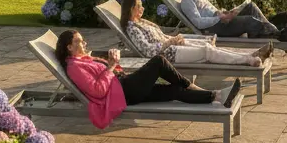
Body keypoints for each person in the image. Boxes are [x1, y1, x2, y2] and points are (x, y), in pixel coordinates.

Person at [54, 28, 241, 130]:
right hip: (123, 91)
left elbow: (105, 75)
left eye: (83, 40)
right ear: (69, 48)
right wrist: (111, 65)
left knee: (172, 91)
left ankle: (216, 97)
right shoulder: (74, 68)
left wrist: (111, 64)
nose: (84, 43)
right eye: (79, 41)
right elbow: (98, 90)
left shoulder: (82, 59)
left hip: (124, 87)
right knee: (158, 61)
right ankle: (192, 86)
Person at [120, 0, 272, 67]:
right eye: (139, 6)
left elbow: (161, 37)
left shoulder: (142, 23)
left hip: (173, 47)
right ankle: (248, 59)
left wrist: (173, 39)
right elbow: (149, 51)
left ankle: (250, 55)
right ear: (131, 9)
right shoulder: (133, 29)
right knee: (208, 52)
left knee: (209, 48)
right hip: (169, 55)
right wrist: (169, 42)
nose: (142, 9)